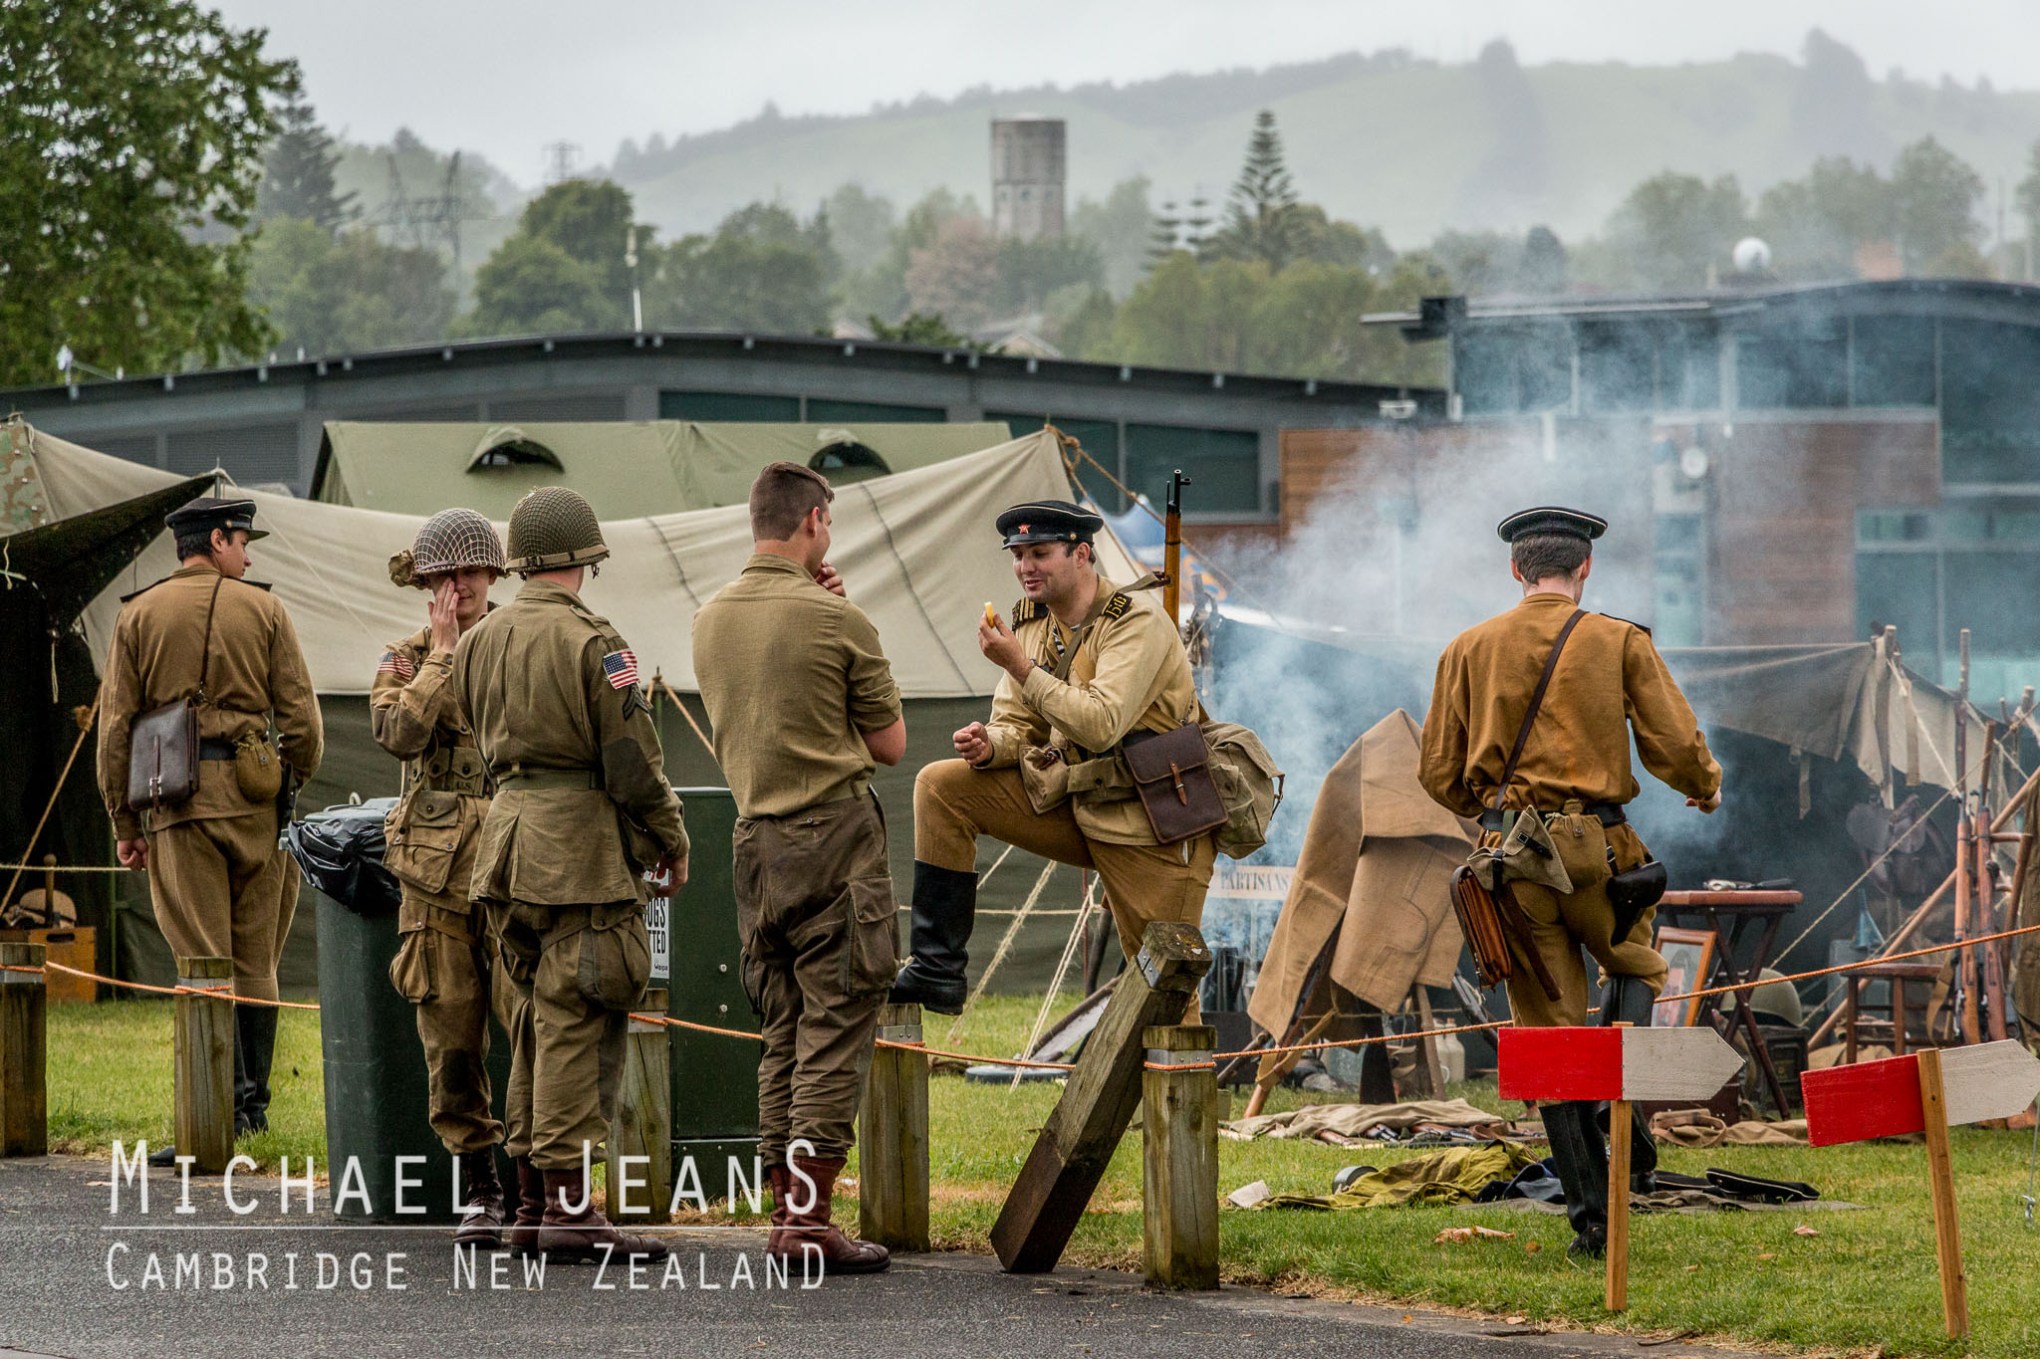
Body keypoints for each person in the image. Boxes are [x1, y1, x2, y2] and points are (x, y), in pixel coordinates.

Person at [1417, 505, 1722, 1258]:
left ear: (1515, 569)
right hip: (1603, 854)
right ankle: (1623, 1127)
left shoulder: (1465, 648)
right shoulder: (1620, 638)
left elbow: (1437, 772)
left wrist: (1489, 812)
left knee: (1550, 1036)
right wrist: (1704, 784)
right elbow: (1675, 744)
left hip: (1510, 862)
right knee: (1638, 963)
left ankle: (1593, 1221)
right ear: (1585, 566)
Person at [451, 486, 687, 1263]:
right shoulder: (598, 642)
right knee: (580, 1015)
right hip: (579, 855)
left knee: (533, 1026)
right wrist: (670, 835)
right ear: (586, 556)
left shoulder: (478, 639)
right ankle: (570, 1209)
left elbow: (478, 738)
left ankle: (529, 1204)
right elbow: (632, 759)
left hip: (506, 847)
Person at [692, 461, 905, 1275]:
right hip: (833, 840)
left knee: (780, 1028)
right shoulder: (837, 621)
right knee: (835, 1025)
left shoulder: (710, 618)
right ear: (815, 521)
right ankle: (809, 1221)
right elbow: (888, 745)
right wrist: (837, 610)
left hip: (754, 842)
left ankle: (787, 1209)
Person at [891, 499, 1214, 1016]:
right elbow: (1019, 725)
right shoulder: (1035, 626)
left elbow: (1101, 724)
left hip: (1152, 822)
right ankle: (936, 970)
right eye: (1018, 555)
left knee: (1165, 993)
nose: (1024, 567)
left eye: (1039, 553)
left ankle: (1179, 1095)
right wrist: (991, 743)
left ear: (1082, 554)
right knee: (940, 786)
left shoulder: (1136, 623)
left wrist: (1020, 666)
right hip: (1081, 804)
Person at [95, 496, 322, 1147]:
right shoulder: (267, 609)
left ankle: (216, 1110)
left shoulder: (138, 615)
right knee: (257, 959)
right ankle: (251, 1109)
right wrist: (291, 783)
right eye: (243, 541)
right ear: (217, 539)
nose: (248, 555)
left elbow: (116, 728)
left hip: (178, 803)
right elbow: (303, 722)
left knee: (202, 958)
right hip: (258, 803)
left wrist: (124, 820)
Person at [373, 509, 518, 1247]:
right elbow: (397, 732)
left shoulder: (522, 644)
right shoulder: (404, 658)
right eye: (442, 575)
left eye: (469, 572)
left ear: (493, 575)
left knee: (533, 1024)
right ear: (425, 583)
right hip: (434, 875)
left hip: (517, 864)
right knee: (452, 1030)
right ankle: (480, 1185)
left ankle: (547, 1185)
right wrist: (440, 655)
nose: (457, 586)